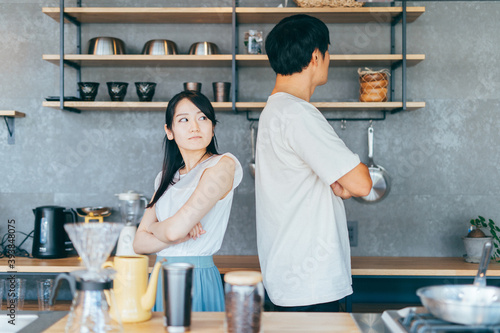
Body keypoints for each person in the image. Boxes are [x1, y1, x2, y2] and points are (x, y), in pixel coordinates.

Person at [255, 14, 372, 312]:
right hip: (310, 287)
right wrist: (347, 183)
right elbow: (362, 183)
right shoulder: (298, 114)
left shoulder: (275, 111)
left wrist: (340, 182)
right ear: (316, 56)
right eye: (328, 52)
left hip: (290, 280)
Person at [133, 90, 242, 312]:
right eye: (184, 119)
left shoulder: (223, 165)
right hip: (160, 276)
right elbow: (138, 244)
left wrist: (154, 228)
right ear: (169, 131)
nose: (195, 126)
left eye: (203, 118)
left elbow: (167, 232)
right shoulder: (165, 178)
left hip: (197, 276)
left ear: (213, 127)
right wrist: (176, 233)